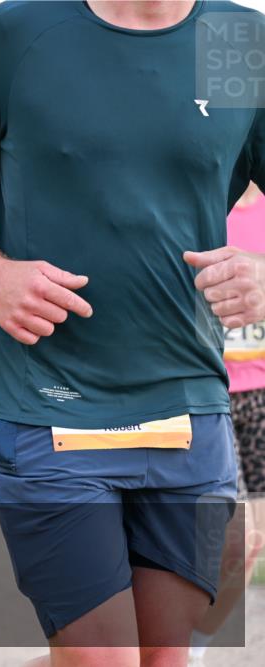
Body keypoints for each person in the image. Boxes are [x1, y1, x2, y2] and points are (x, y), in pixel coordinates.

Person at [0, 2, 265, 666]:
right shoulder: (21, 30)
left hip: (188, 411)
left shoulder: (242, 39)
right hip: (50, 405)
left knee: (166, 658)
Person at [188, 182, 265, 667]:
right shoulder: (198, 196)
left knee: (249, 546)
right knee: (228, 537)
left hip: (260, 395)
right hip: (203, 392)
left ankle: (190, 650)